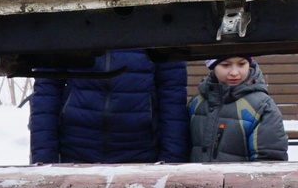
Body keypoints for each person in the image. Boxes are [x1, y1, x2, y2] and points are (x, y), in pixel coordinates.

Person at [28, 51, 188, 164]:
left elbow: (173, 99)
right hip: (75, 156)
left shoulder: (156, 26)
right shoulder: (69, 24)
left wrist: (171, 161)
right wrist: (44, 159)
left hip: (140, 158)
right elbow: (46, 94)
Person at [185, 57, 289, 162]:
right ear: (213, 66)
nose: (234, 73)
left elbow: (269, 160)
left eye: (241, 64)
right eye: (225, 65)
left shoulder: (261, 106)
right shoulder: (197, 102)